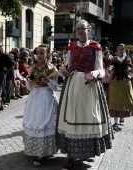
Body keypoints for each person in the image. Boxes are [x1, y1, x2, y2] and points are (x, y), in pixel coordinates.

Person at [57, 20, 113, 170]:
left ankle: (88, 152)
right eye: (78, 29)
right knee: (71, 118)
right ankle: (71, 156)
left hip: (90, 87)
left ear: (89, 30)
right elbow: (66, 65)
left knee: (89, 118)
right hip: (73, 85)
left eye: (83, 28)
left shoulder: (96, 47)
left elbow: (102, 70)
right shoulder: (72, 47)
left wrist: (96, 73)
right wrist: (63, 68)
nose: (80, 31)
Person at [23, 44, 59, 167]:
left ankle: (43, 152)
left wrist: (48, 81)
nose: (39, 55)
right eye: (37, 53)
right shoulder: (32, 68)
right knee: (34, 121)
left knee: (45, 122)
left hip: (47, 98)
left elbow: (55, 87)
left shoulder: (52, 69)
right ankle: (35, 149)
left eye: (42, 53)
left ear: (47, 54)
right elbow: (29, 87)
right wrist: (28, 81)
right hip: (34, 98)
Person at [108, 44, 133, 131]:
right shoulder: (114, 59)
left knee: (124, 100)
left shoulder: (128, 59)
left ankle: (121, 117)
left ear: (124, 50)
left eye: (122, 49)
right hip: (115, 83)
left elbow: (130, 71)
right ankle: (115, 123)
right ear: (117, 50)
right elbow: (110, 70)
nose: (120, 51)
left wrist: (129, 79)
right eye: (119, 49)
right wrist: (111, 76)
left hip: (124, 83)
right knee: (115, 101)